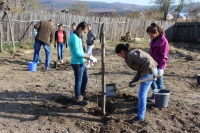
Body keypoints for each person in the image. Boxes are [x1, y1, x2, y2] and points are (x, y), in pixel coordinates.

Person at [115, 43, 157, 123]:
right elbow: (140, 69)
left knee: (142, 94)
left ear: (122, 52)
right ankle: (138, 108)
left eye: (119, 55)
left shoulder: (131, 54)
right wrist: (134, 80)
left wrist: (153, 73)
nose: (119, 57)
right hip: (146, 71)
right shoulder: (130, 55)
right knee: (141, 94)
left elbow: (148, 61)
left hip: (149, 72)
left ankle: (140, 116)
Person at [68, 21, 97, 105]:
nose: (84, 34)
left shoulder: (78, 36)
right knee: (79, 80)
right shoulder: (74, 37)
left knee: (85, 79)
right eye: (84, 32)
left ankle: (83, 94)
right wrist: (90, 57)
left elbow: (81, 50)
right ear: (80, 29)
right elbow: (78, 53)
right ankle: (77, 97)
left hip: (82, 62)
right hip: (77, 63)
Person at [146, 23, 169, 103]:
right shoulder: (154, 39)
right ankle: (154, 95)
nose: (150, 37)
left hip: (159, 65)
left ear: (156, 33)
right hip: (153, 64)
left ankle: (159, 97)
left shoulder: (163, 41)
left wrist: (161, 68)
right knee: (152, 81)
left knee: (159, 82)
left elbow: (164, 55)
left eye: (151, 35)